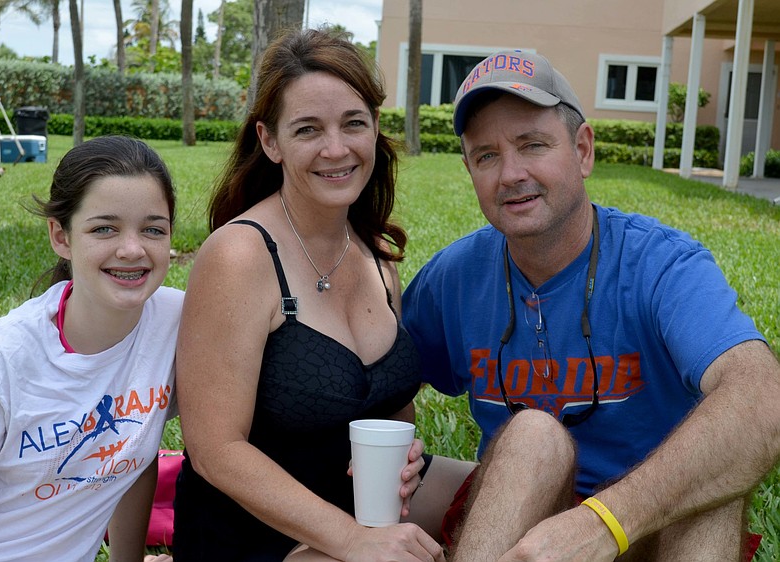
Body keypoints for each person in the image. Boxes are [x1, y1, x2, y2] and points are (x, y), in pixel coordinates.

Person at [401, 49, 780, 561]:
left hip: (651, 526)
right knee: (533, 434)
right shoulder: (455, 276)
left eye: (532, 144)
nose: (510, 173)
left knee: (713, 490)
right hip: (521, 528)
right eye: (486, 155)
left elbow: (762, 396)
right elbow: (385, 381)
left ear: (582, 151)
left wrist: (602, 524)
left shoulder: (663, 265)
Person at [172, 28, 471, 562]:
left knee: (524, 492)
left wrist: (403, 454)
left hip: (361, 509)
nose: (337, 149)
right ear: (270, 141)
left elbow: (390, 408)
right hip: (258, 533)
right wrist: (356, 540)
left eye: (353, 123)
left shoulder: (377, 260)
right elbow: (215, 451)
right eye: (308, 129)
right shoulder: (240, 255)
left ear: (375, 128)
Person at [0, 135, 184, 562]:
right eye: (104, 228)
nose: (132, 249)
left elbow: (132, 456)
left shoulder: (176, 322)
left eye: (153, 229)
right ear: (61, 236)